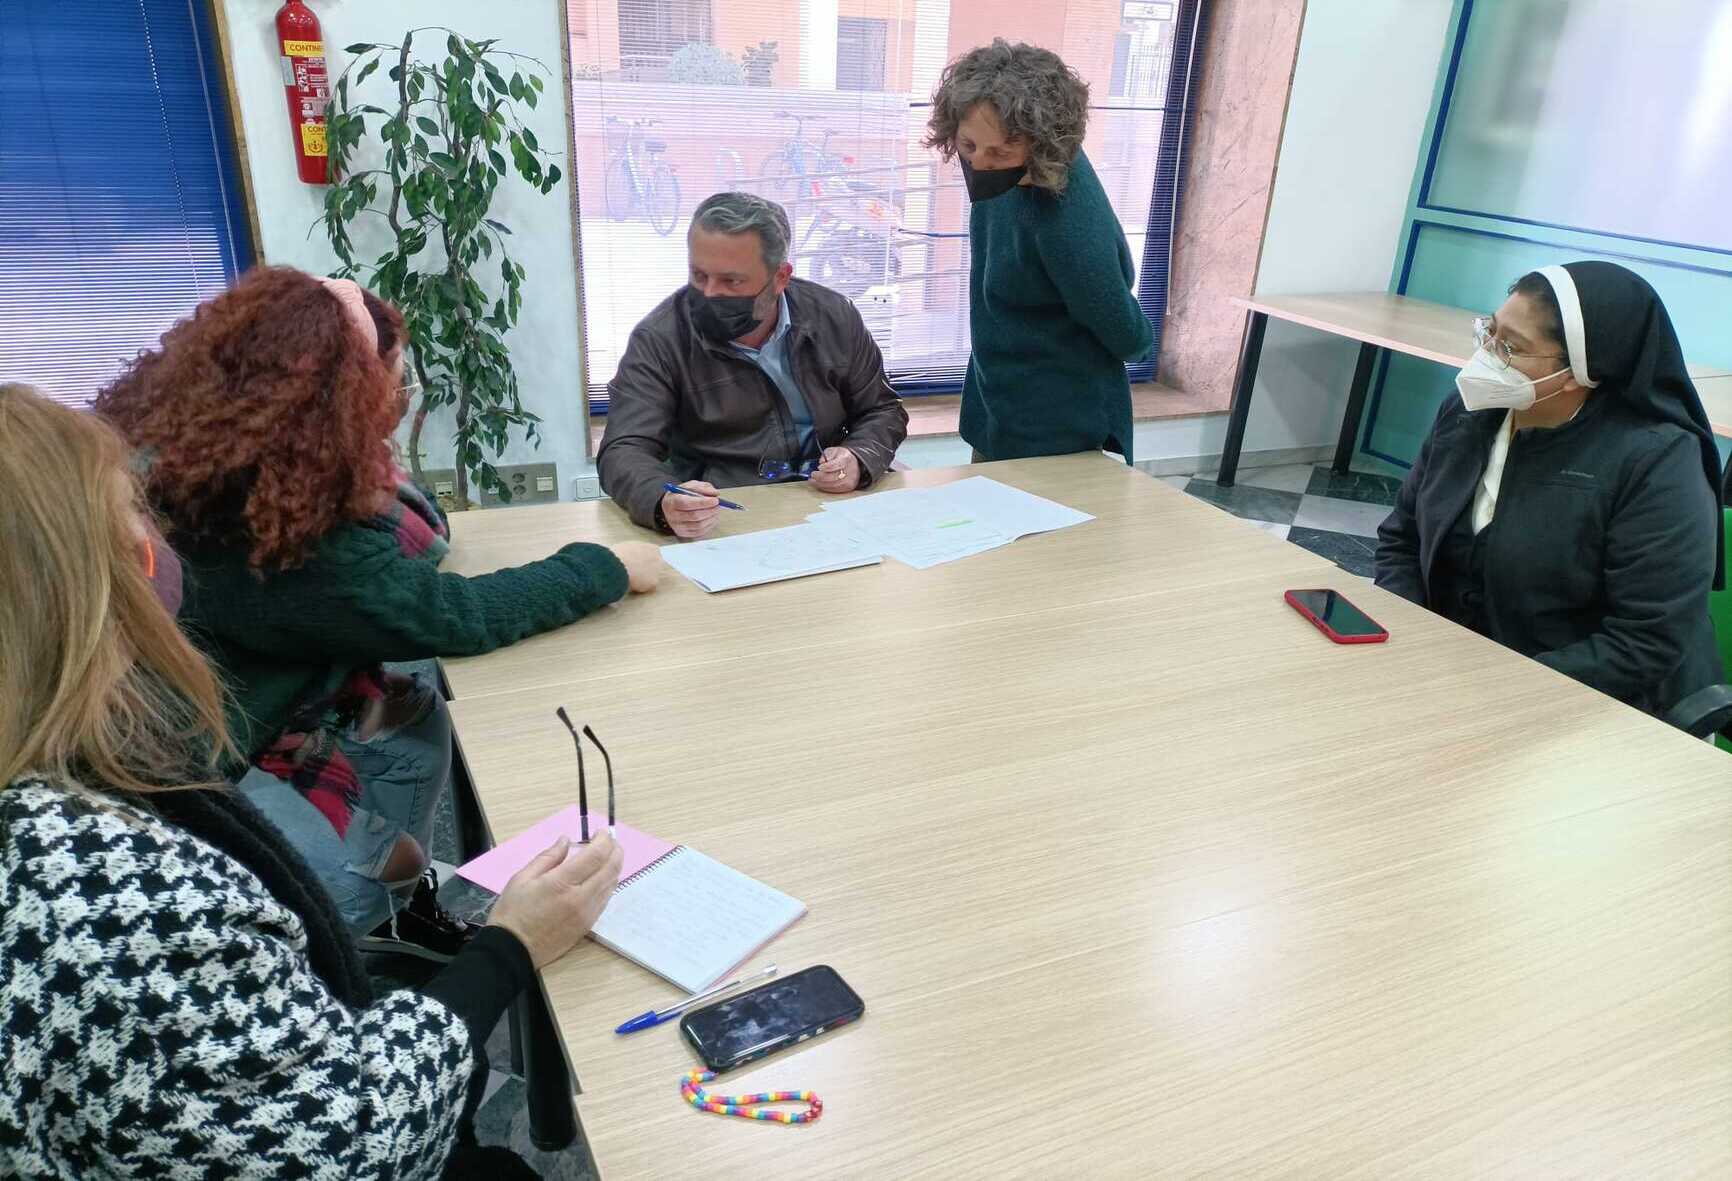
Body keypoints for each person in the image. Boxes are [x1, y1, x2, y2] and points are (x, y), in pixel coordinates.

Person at [0, 381, 624, 1178]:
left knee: (406, 706)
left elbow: (422, 533)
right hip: (341, 1108)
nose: (155, 534)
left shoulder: (69, 770)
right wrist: (513, 943)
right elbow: (348, 1143)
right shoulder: (97, 891)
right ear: (88, 570)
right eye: (132, 510)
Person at [93, 267, 661, 959]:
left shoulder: (225, 453)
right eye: (388, 384)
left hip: (211, 717)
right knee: (389, 804)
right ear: (336, 399)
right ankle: (347, 947)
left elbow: (423, 534)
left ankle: (409, 904)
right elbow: (451, 612)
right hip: (192, 781)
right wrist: (602, 567)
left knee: (413, 708)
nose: (398, 400)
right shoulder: (279, 531)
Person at [1375, 261, 1723, 719]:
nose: (1487, 356)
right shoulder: (1468, 413)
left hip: (1583, 701)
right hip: (1451, 679)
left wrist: (1494, 692)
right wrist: (1406, 637)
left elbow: (1645, 639)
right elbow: (1402, 538)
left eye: (1510, 347)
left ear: (1580, 370)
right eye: (1490, 333)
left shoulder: (1657, 461)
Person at [598, 191, 910, 539]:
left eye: (731, 281)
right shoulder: (660, 338)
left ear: (780, 277)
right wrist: (662, 500)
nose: (710, 293)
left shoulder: (834, 316)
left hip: (834, 504)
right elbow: (624, 449)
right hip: (730, 510)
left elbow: (883, 410)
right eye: (699, 276)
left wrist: (859, 458)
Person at [924, 39, 1153, 464]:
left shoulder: (1064, 217)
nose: (980, 163)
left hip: (1057, 420)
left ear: (1042, 142)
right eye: (969, 146)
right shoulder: (1002, 176)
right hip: (999, 399)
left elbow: (1124, 331)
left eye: (1000, 151)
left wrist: (1143, 343)